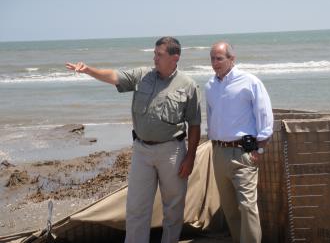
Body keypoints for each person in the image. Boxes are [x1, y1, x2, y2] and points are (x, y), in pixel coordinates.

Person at [66, 37, 201, 243]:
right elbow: (114, 76)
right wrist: (88, 70)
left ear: (175, 58)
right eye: (154, 53)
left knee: (173, 208)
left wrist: (190, 157)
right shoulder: (142, 75)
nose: (154, 58)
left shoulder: (188, 85)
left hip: (172, 152)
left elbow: (194, 124)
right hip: (141, 152)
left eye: (159, 54)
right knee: (136, 208)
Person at [205, 42, 273, 243]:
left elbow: (265, 117)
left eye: (219, 58)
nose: (215, 63)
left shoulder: (250, 81)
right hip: (218, 152)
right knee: (229, 208)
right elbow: (211, 118)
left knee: (247, 207)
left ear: (232, 59)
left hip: (243, 153)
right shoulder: (210, 86)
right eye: (212, 58)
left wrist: (259, 149)